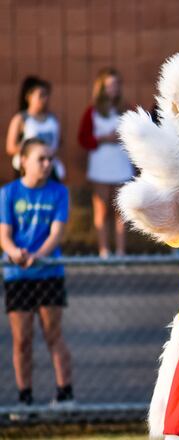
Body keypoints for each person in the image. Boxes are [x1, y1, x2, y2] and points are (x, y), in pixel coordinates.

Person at [1, 138, 73, 410]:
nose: (47, 164)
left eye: (50, 159)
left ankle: (65, 395)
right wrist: (14, 253)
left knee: (53, 334)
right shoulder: (8, 193)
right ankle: (25, 399)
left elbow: (56, 234)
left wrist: (38, 256)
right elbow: (4, 235)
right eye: (41, 159)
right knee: (22, 340)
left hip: (48, 273)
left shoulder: (59, 192)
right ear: (23, 161)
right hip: (17, 275)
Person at [78, 68, 134, 258]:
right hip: (101, 165)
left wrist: (122, 137)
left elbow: (138, 134)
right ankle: (104, 252)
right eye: (110, 85)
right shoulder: (92, 111)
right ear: (101, 87)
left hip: (121, 164)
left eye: (116, 84)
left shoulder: (126, 108)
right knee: (101, 210)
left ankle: (121, 252)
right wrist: (103, 138)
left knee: (121, 211)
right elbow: (83, 139)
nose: (114, 88)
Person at [5, 76, 65, 181]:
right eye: (41, 95)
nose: (45, 99)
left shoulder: (53, 119)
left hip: (49, 168)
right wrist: (34, 151)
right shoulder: (21, 118)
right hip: (28, 170)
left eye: (46, 95)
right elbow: (10, 147)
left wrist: (48, 154)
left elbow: (58, 142)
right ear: (29, 97)